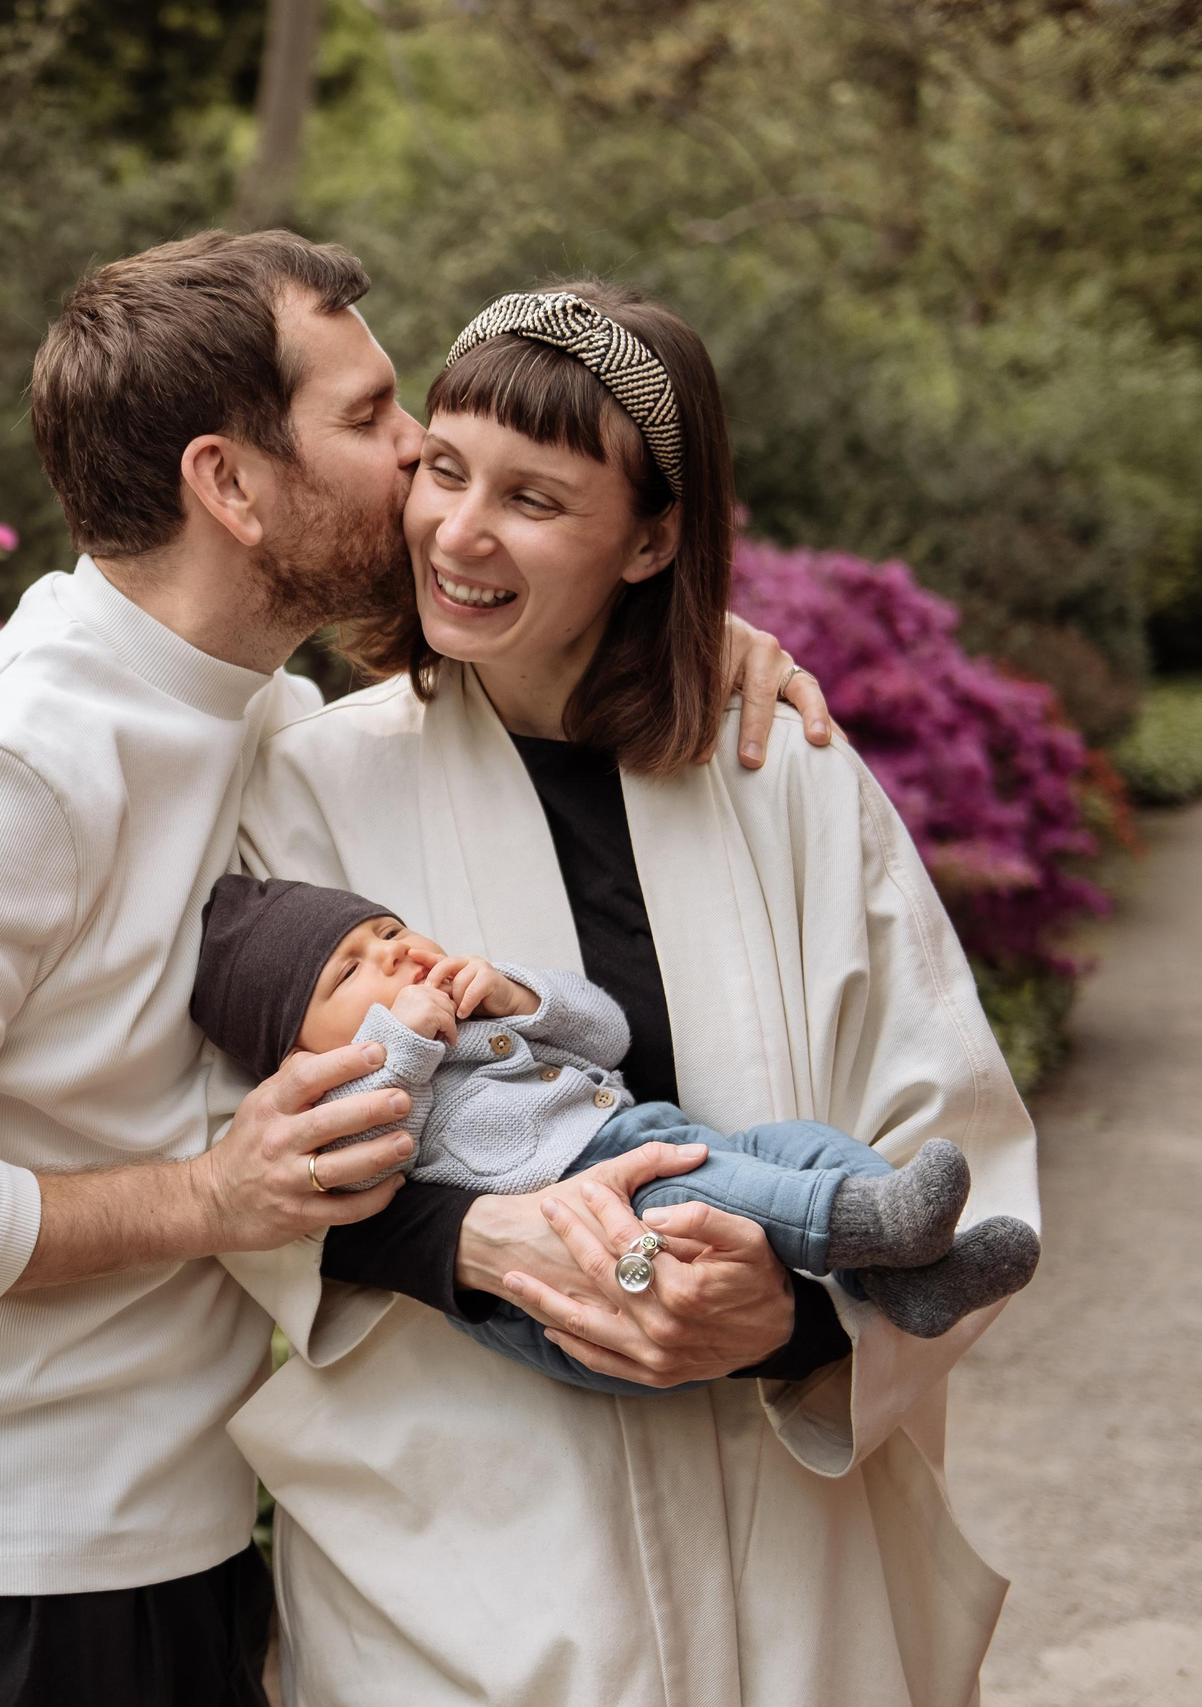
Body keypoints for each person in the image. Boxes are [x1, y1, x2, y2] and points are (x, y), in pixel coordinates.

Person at [0, 233, 831, 1707]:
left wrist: (674, 614)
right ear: (232, 484)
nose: (419, 460)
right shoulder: (0, 763)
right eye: (377, 419)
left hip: (178, 1540)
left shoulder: (254, 715)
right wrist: (210, 1195)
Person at [217, 282, 1038, 1706]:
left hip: (788, 1550)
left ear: (652, 538)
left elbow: (955, 1131)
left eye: (537, 498)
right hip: (463, 1559)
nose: (461, 531)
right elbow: (239, 1153)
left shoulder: (786, 772)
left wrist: (788, 1324)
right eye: (446, 470)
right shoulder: (304, 788)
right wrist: (490, 1241)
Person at [189, 873, 1040, 1383]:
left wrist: (519, 997)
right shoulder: (343, 1098)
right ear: (301, 1049)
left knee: (795, 1144)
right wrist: (402, 1039)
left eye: (390, 930)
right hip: (592, 1232)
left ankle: (905, 1271)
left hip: (648, 1140)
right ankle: (873, 1227)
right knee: (723, 1191)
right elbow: (354, 1168)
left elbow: (609, 1034)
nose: (395, 955)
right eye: (352, 970)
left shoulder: (479, 1015)